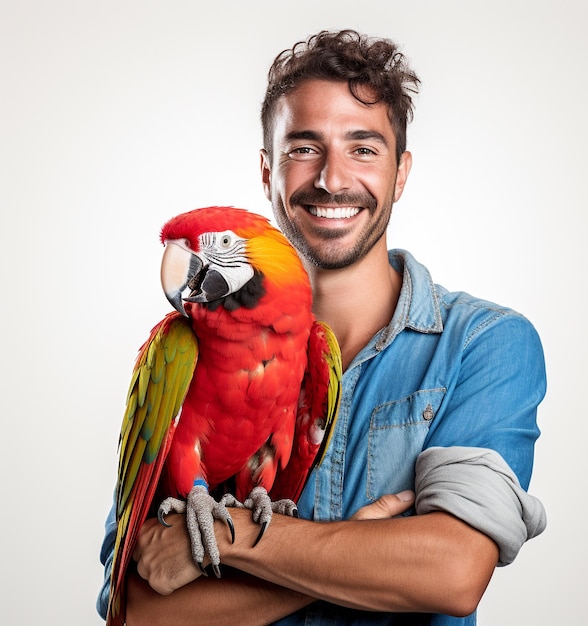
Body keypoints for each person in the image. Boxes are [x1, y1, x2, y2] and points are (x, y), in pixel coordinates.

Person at [98, 29, 547, 625]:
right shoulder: (186, 346)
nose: (332, 179)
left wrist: (228, 541)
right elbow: (138, 612)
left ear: (401, 172)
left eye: (363, 149)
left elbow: (453, 573)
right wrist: (359, 549)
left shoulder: (484, 345)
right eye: (303, 148)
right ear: (267, 172)